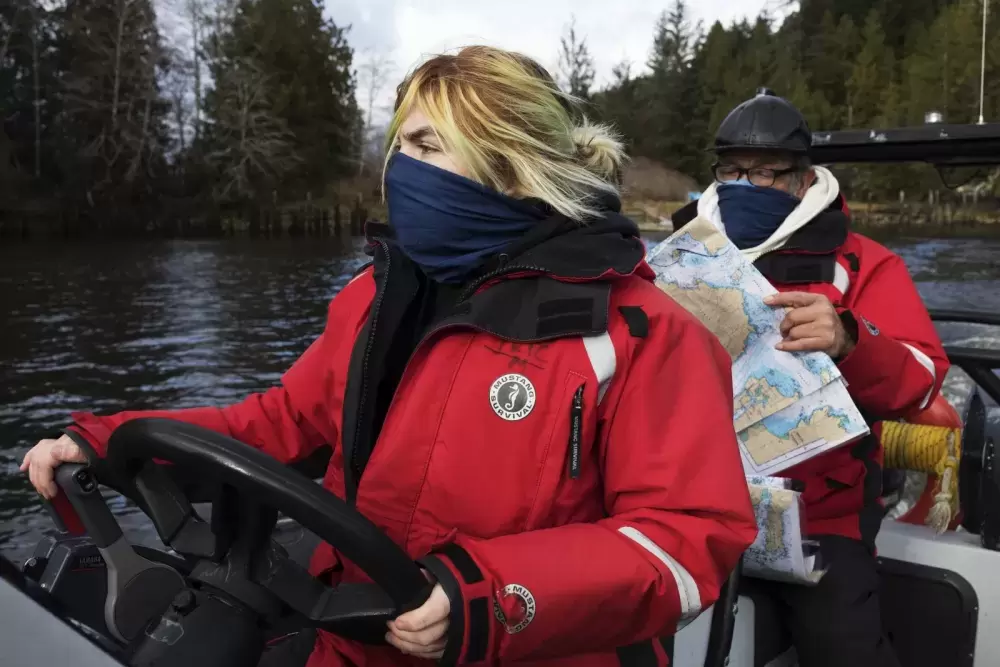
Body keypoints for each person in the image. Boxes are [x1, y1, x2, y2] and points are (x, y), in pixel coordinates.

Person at [21, 46, 757, 667]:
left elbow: (687, 540)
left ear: (510, 168)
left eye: (428, 146)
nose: (400, 168)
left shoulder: (641, 334)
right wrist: (111, 439)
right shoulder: (379, 295)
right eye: (401, 143)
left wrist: (488, 596)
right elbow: (283, 421)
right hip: (346, 640)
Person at [671, 88, 950, 667]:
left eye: (769, 173)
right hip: (703, 502)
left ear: (803, 178)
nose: (750, 185)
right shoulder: (682, 255)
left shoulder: (865, 263)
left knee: (845, 647)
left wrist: (852, 339)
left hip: (826, 514)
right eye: (735, 171)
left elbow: (922, 379)